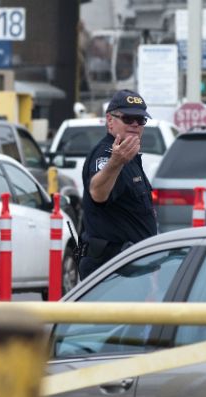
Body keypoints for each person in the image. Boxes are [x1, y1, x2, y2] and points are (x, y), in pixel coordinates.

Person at [77, 89, 158, 279]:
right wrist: (116, 162)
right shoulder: (107, 154)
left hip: (132, 266)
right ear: (110, 120)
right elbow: (97, 193)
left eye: (141, 120)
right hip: (111, 270)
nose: (135, 125)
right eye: (128, 119)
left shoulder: (129, 156)